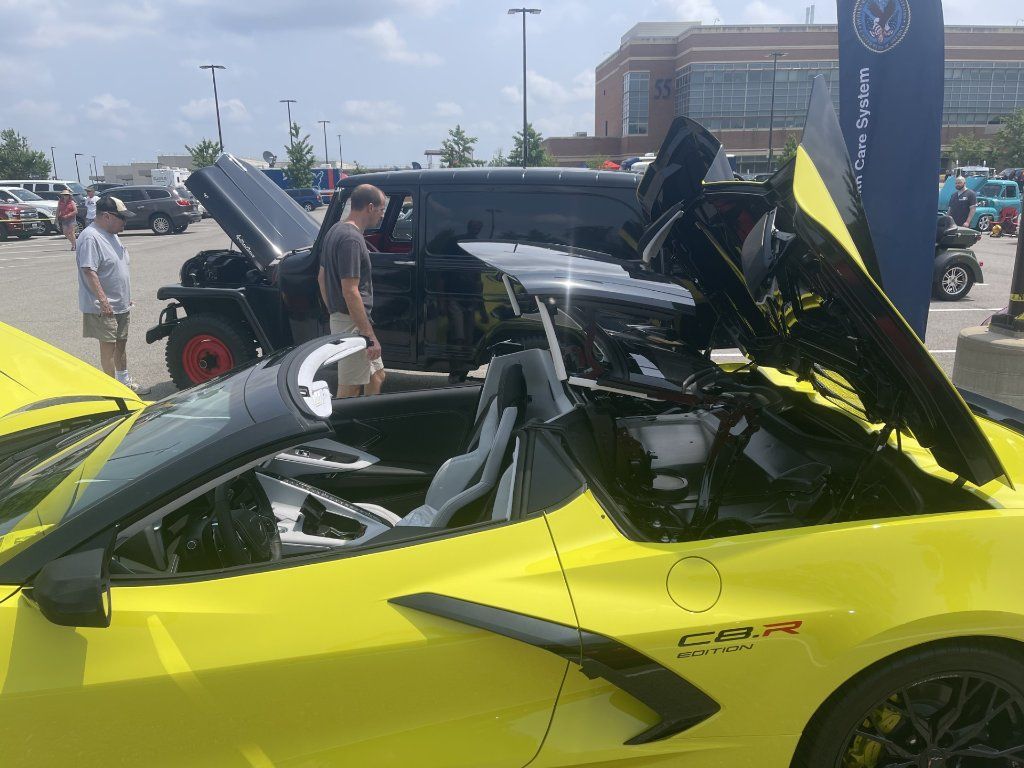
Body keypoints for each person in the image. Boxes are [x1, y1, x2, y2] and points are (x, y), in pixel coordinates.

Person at [318, 184, 386, 397]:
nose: (382, 215)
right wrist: (368, 335)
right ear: (370, 207)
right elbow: (350, 291)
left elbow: (321, 277)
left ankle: (367, 416)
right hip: (352, 322)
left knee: (377, 376)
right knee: (350, 387)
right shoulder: (351, 239)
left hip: (348, 318)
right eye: (381, 210)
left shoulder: (335, 230)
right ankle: (340, 419)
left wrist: (333, 309)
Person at [77, 195, 150, 395]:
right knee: (108, 347)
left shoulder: (112, 234)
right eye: (122, 218)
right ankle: (113, 392)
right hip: (104, 306)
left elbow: (117, 267)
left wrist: (125, 295)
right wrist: (103, 301)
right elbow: (89, 270)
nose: (125, 222)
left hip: (120, 302)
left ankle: (124, 382)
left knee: (121, 343)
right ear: (107, 216)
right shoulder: (91, 237)